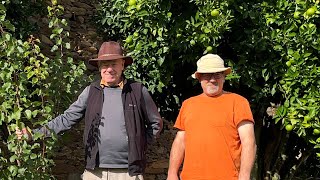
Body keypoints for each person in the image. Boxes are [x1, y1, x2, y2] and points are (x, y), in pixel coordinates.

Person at [16, 41, 163, 180]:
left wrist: (138, 143)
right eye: (105, 64)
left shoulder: (137, 91)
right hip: (95, 172)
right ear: (99, 67)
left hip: (128, 173)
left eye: (114, 63)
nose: (109, 69)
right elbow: (66, 119)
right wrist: (34, 134)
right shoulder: (91, 92)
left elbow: (156, 123)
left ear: (122, 65)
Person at [167, 54, 256, 180]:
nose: (212, 80)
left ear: (224, 77)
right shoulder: (188, 104)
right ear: (199, 78)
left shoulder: (238, 102)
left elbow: (249, 142)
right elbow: (180, 141)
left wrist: (244, 175)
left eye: (217, 75)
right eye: (207, 75)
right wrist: (172, 173)